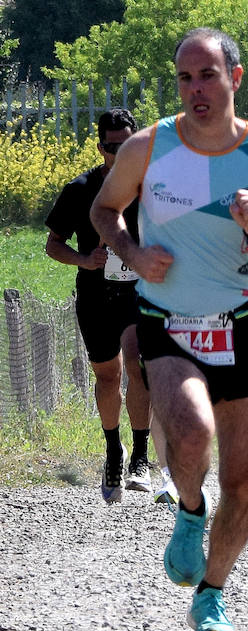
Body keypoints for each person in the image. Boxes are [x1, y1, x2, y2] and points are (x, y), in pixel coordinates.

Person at [90, 26, 248, 631]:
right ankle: (188, 509)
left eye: (207, 75)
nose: (195, 89)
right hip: (167, 323)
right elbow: (104, 210)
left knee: (243, 476)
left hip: (240, 324)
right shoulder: (148, 147)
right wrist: (130, 247)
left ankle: (212, 594)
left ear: (235, 77)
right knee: (191, 432)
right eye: (184, 77)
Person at [45, 109, 155, 504]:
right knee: (108, 378)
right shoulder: (80, 189)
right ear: (100, 146)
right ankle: (114, 451)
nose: (119, 151)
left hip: (140, 294)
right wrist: (83, 259)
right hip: (95, 296)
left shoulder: (150, 188)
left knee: (136, 362)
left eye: (126, 144)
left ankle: (141, 457)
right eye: (112, 146)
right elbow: (52, 243)